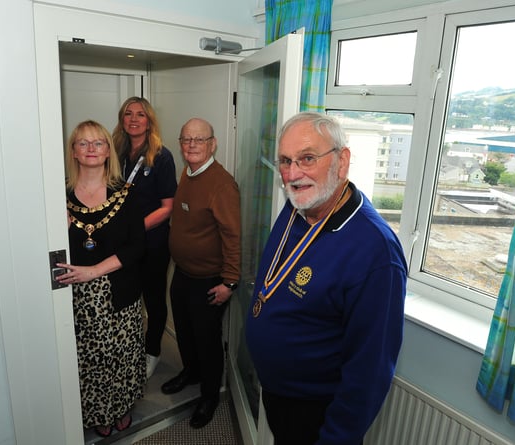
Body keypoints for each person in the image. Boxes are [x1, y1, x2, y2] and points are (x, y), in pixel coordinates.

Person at [245, 112, 408, 445]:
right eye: (285, 161)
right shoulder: (300, 204)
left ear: (342, 160)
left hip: (318, 413)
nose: (292, 174)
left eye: (307, 158)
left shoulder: (375, 252)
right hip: (280, 395)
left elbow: (369, 372)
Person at [56, 120, 146, 438]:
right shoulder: (57, 195)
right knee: (89, 359)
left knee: (122, 354)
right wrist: (59, 228)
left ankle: (120, 408)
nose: (91, 149)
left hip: (120, 291)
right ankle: (95, 411)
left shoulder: (127, 194)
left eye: (98, 143)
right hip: (76, 296)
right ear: (74, 152)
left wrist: (95, 271)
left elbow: (138, 246)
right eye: (83, 143)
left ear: (108, 150)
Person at [161, 118, 241, 429]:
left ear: (213, 143)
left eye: (199, 140)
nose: (192, 145)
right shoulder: (188, 172)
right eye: (186, 140)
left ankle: (209, 396)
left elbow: (232, 237)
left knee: (207, 342)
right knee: (184, 331)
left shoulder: (222, 184)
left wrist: (229, 282)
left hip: (209, 280)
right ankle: (190, 372)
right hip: (182, 273)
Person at [113, 97, 178, 379]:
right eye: (128, 113)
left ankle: (152, 351)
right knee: (126, 298)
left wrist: (134, 229)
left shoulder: (161, 156)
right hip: (122, 244)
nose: (134, 119)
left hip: (152, 243)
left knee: (153, 299)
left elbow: (167, 208)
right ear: (122, 119)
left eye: (140, 114)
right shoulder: (114, 152)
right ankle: (128, 348)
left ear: (149, 120)